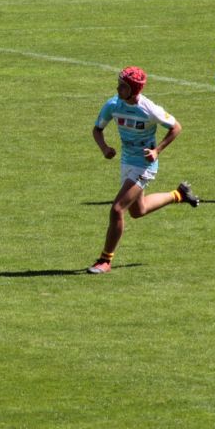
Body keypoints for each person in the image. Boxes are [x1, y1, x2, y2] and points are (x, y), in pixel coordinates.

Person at [87, 66, 200, 275]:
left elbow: (176, 127)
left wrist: (157, 150)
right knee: (138, 211)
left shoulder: (149, 109)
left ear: (133, 90)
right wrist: (104, 148)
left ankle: (105, 260)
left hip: (144, 165)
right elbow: (97, 129)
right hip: (127, 162)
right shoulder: (113, 104)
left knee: (117, 209)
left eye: (122, 86)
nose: (117, 88)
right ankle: (179, 194)